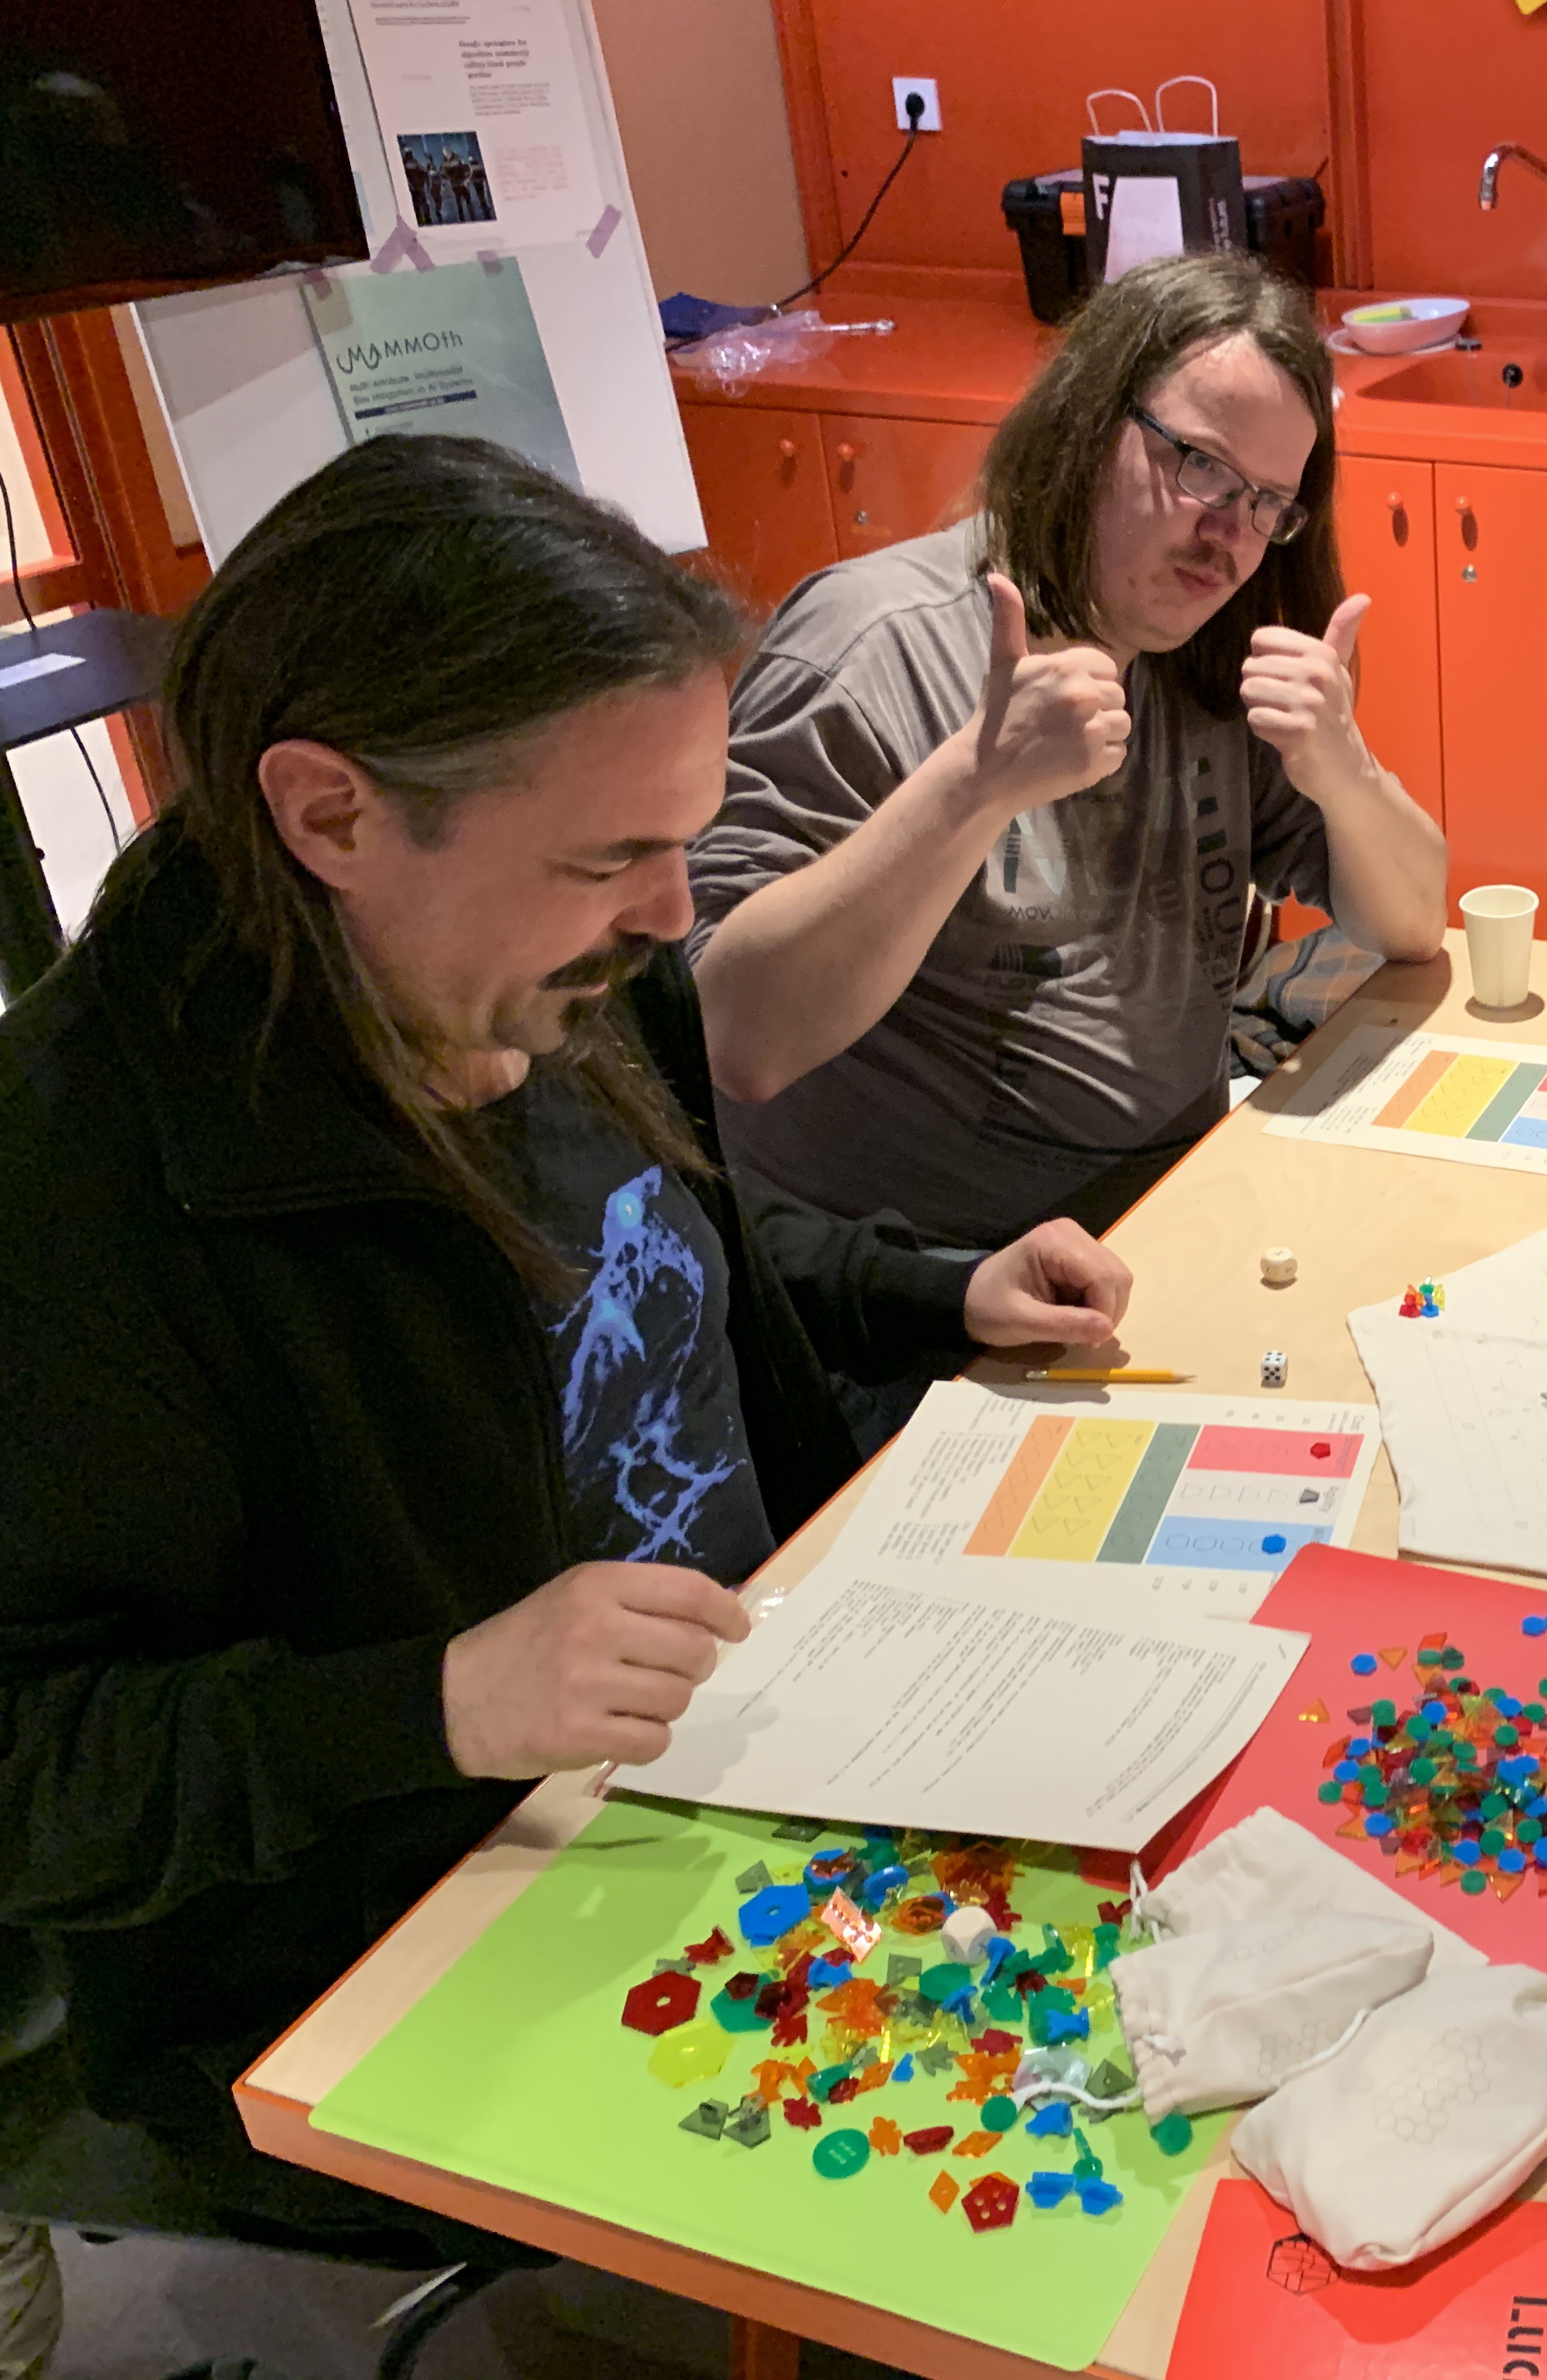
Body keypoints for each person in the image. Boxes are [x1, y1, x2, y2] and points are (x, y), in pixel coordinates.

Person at [0, 437, 1133, 2262]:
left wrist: (933, 1289)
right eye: (612, 856)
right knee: (1021, 2229)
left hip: (767, 1715)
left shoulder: (544, 962)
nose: (674, 914)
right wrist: (442, 1701)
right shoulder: (74, 1189)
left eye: (681, 839)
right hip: (405, 1916)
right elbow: (34, 1775)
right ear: (332, 816)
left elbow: (651, 1258)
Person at [688, 252, 1446, 1255]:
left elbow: (1413, 923)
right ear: (1091, 421)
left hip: (1170, 1211)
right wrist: (976, 785)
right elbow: (736, 1039)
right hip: (937, 1276)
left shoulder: (1203, 648)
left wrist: (1346, 771)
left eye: (1269, 503)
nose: (1231, 535)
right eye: (1203, 467)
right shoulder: (868, 645)